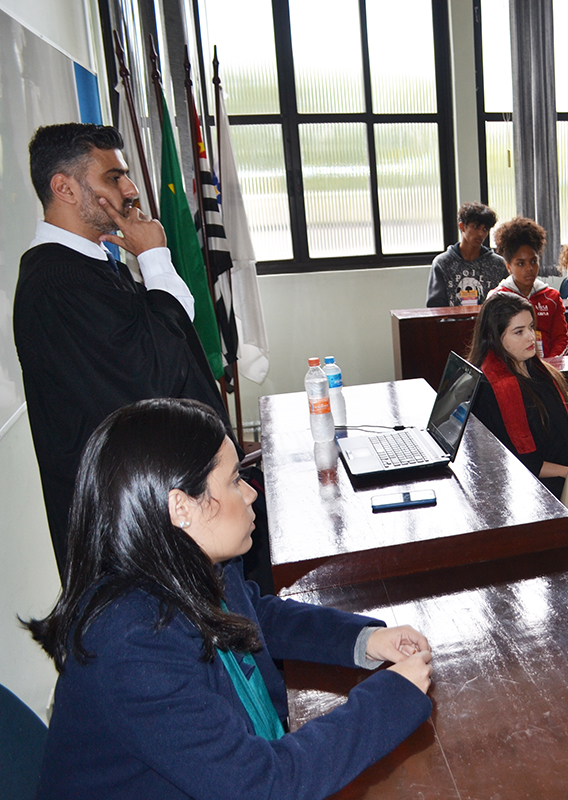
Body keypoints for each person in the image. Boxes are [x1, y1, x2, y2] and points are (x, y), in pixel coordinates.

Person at [25, 398, 434, 799]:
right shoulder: (133, 644)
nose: (251, 493)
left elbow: (256, 616)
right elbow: (263, 785)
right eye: (235, 480)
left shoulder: (189, 563)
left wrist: (362, 640)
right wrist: (391, 698)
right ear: (181, 507)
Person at [12, 123, 246, 581]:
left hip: (165, 511)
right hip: (130, 534)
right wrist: (154, 258)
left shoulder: (93, 266)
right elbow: (155, 375)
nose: (130, 189)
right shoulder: (58, 284)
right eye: (114, 177)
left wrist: (154, 261)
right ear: (64, 188)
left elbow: (174, 332)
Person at [469, 292, 568, 498]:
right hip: (534, 489)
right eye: (519, 331)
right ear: (494, 338)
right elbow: (515, 460)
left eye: (531, 327)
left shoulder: (540, 371)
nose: (531, 336)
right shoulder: (488, 388)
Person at [490, 216, 568, 358]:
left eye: (533, 261)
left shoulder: (552, 297)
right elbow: (493, 343)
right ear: (508, 266)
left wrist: (550, 365)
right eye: (521, 263)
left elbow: (561, 339)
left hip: (548, 366)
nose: (529, 268)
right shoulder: (497, 298)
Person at [425, 201, 508, 307]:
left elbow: (507, 302)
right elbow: (435, 306)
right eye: (476, 227)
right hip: (452, 318)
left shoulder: (498, 264)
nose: (481, 233)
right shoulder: (443, 263)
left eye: (485, 229)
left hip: (488, 318)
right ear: (462, 226)